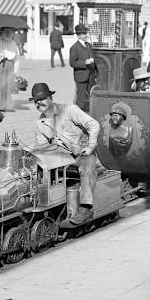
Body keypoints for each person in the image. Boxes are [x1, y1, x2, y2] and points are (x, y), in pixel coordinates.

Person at [30, 82, 99, 225]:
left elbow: (94, 125)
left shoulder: (69, 110)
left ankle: (86, 208)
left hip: (81, 154)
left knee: (87, 164)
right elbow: (42, 149)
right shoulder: (39, 124)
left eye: (42, 98)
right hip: (62, 158)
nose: (39, 103)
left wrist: (90, 146)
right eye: (36, 101)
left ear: (50, 98)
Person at [69, 23, 97, 112]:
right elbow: (72, 62)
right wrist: (85, 62)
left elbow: (92, 56)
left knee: (92, 95)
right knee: (80, 98)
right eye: (84, 33)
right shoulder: (74, 48)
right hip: (81, 76)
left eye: (86, 33)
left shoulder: (88, 45)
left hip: (91, 75)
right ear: (79, 35)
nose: (86, 35)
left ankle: (91, 112)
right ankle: (79, 114)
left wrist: (95, 71)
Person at [0, 26, 18, 111]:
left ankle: (5, 105)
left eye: (9, 32)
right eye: (6, 32)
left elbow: (16, 57)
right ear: (2, 33)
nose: (8, 34)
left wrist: (16, 71)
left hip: (10, 66)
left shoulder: (13, 44)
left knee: (6, 86)